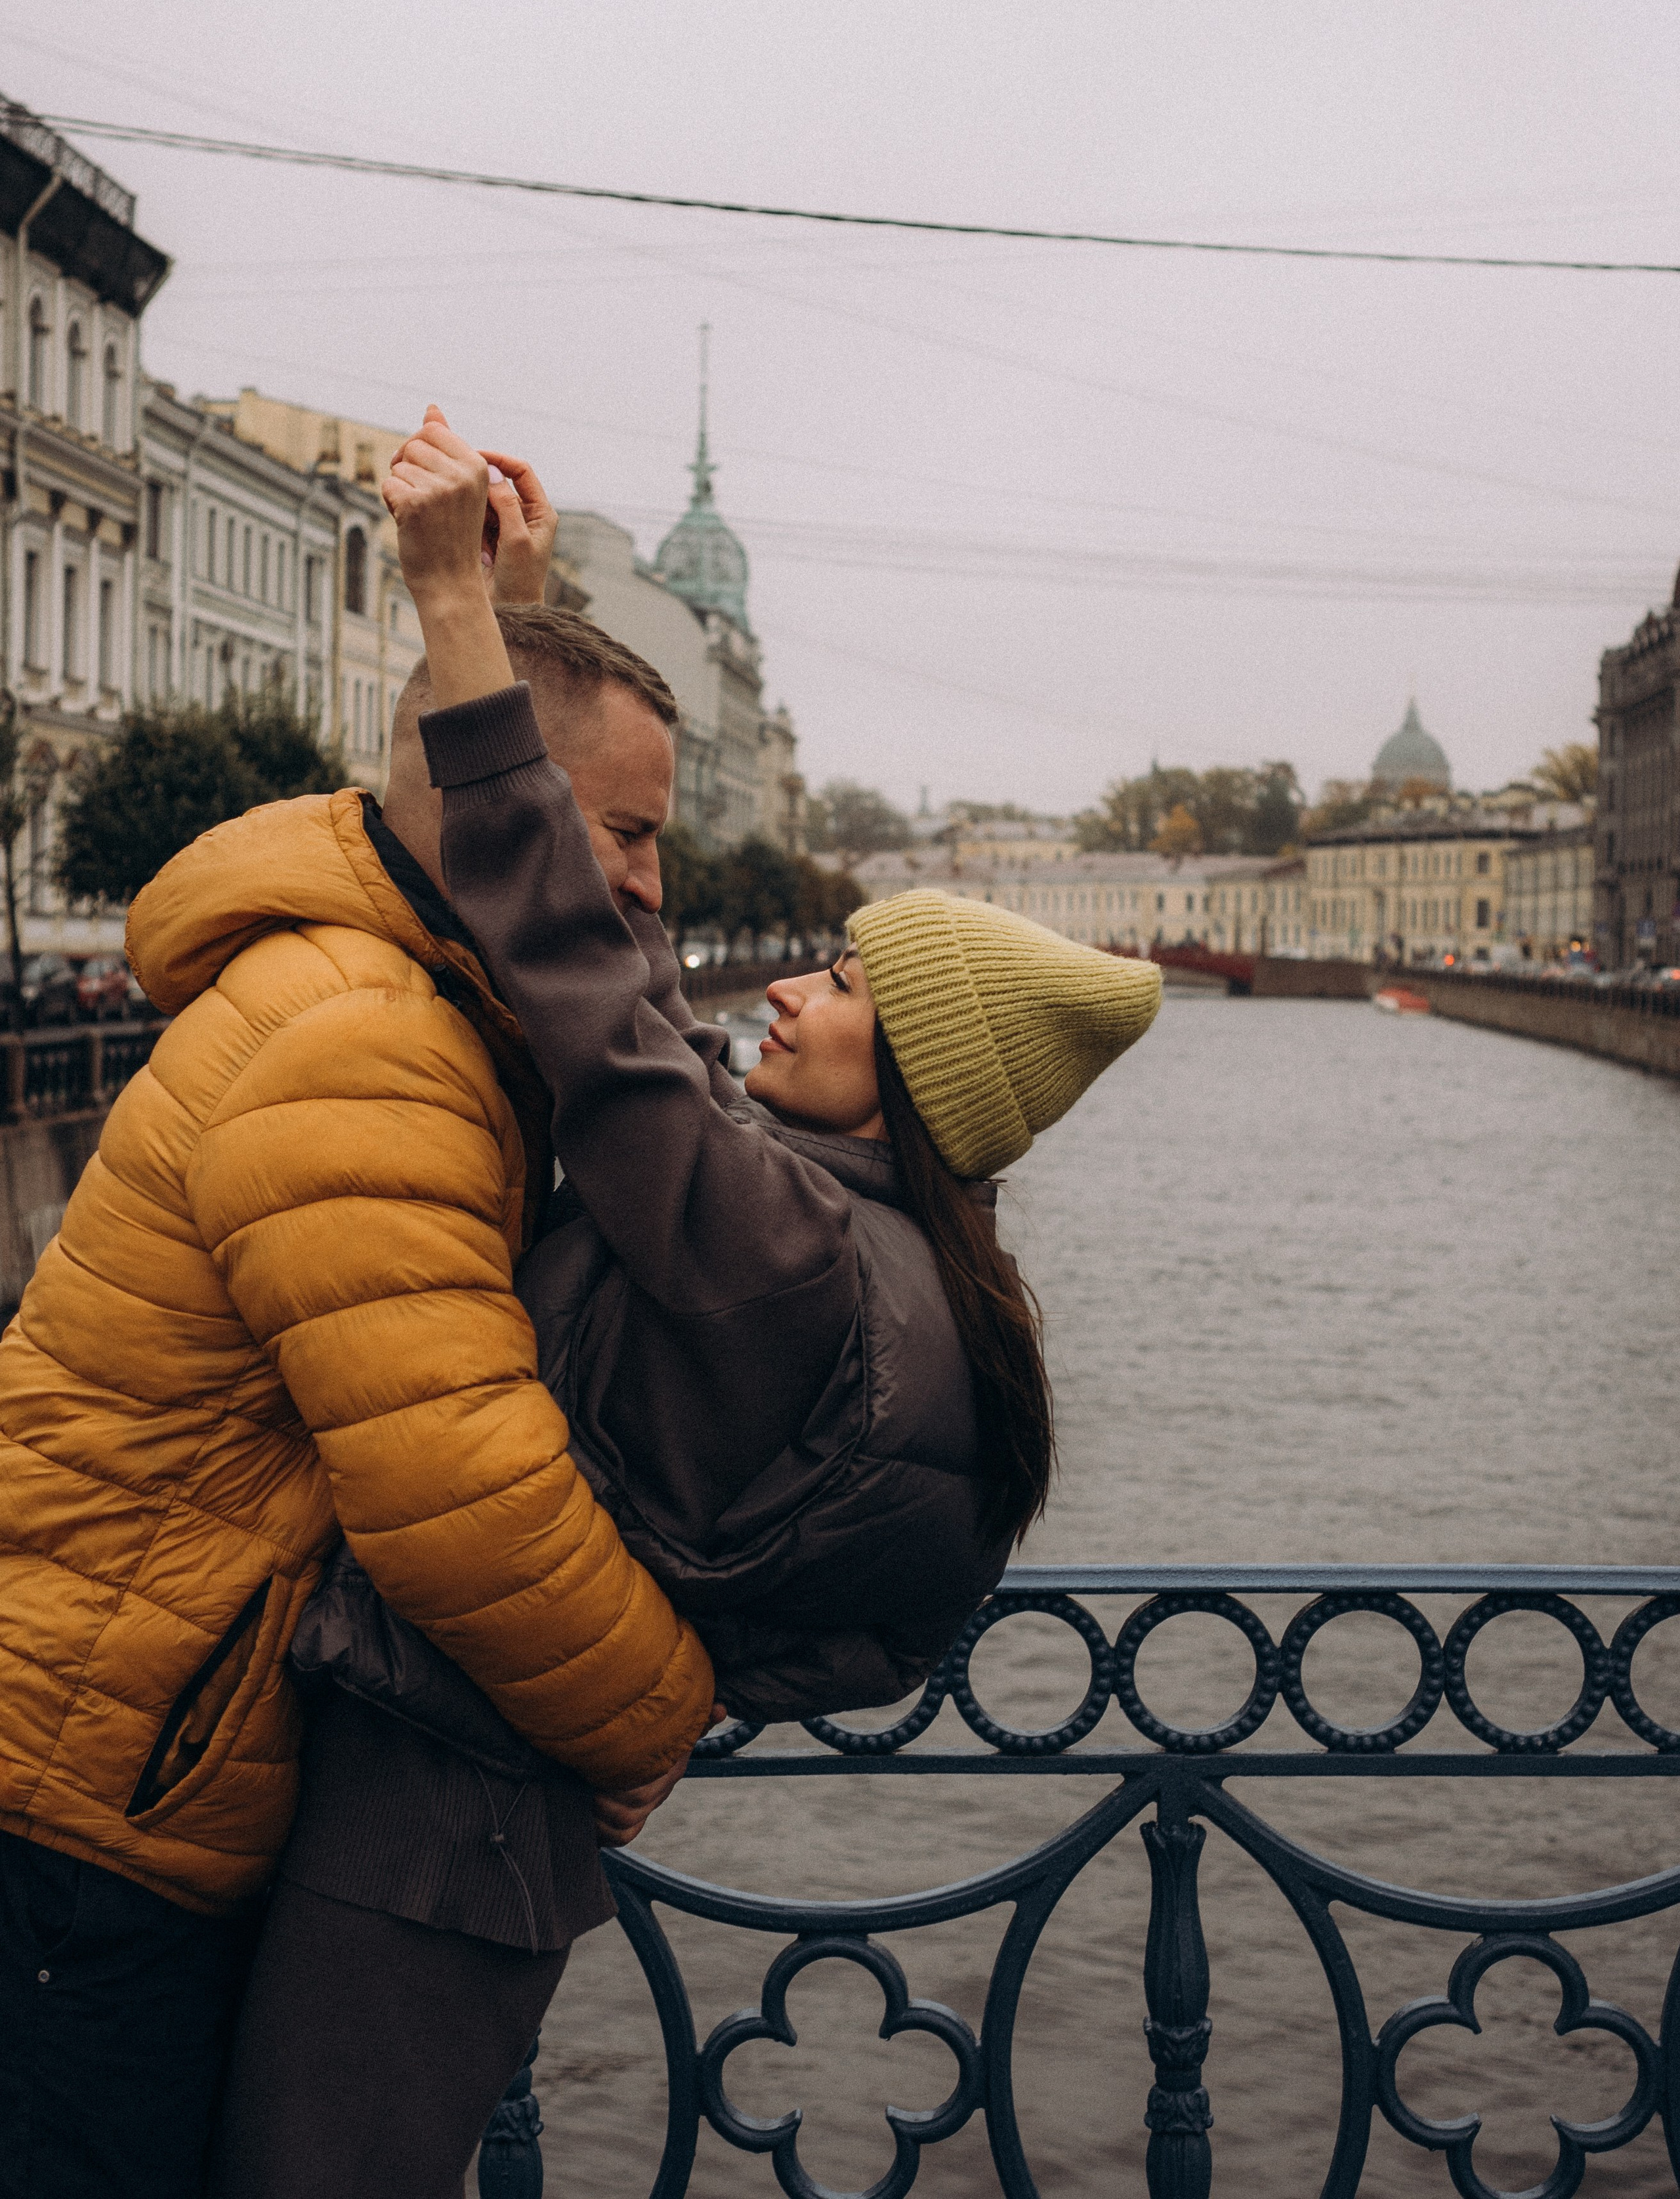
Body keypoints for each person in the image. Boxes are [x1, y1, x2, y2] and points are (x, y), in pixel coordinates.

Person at [235, 411, 1162, 2195]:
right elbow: (864, 1629)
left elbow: (592, 986)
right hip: (507, 1809)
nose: (792, 988)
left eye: (843, 983)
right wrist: (676, 1694)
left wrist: (457, 622)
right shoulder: (915, 1283)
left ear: (915, 1075)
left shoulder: (786, 1250)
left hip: (424, 1800)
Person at [0, 430, 715, 2199]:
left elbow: (470, 796)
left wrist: (501, 617)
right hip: (84, 1808)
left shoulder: (400, 990)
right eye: (621, 833)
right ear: (520, 811)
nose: (643, 883)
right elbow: (459, 1493)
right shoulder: (368, 1047)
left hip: (115, 1754)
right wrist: (651, 1713)